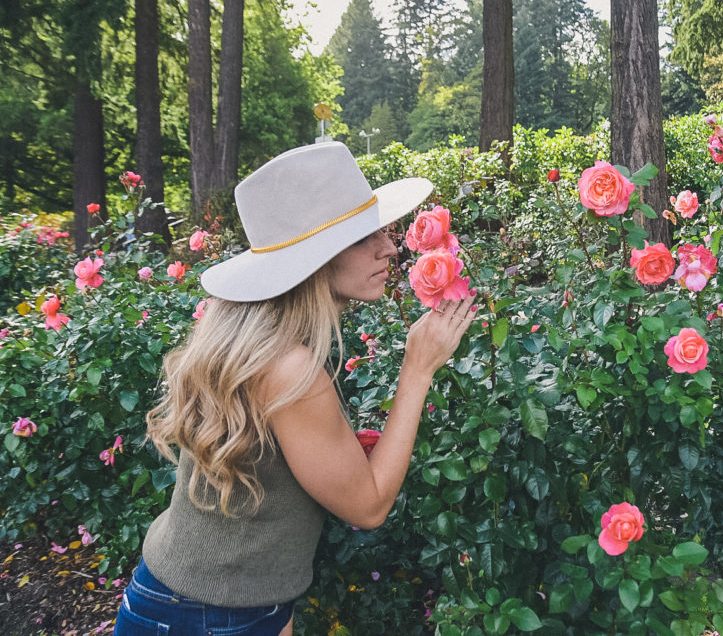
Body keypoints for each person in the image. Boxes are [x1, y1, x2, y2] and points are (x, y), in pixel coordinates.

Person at [112, 142, 476, 635]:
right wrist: (418, 369)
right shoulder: (289, 366)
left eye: (383, 231)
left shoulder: (263, 340)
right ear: (315, 260)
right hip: (209, 615)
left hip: (201, 602)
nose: (390, 248)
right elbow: (368, 507)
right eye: (364, 237)